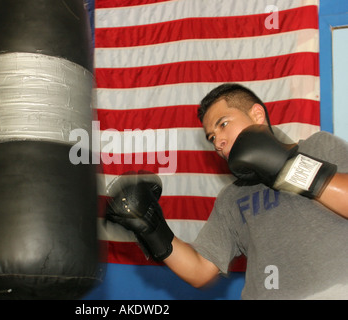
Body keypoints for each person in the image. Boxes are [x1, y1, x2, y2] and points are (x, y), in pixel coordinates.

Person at [105, 83, 348, 299]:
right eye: (211, 137)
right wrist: (152, 227)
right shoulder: (232, 197)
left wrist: (286, 168)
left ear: (257, 114)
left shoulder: (318, 147)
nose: (218, 142)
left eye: (223, 124)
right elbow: (201, 271)